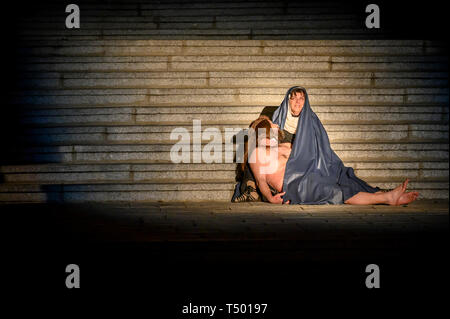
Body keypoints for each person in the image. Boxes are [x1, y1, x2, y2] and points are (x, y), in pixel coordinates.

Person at [247, 116, 419, 205]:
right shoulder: (257, 154)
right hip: (295, 186)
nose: (276, 126)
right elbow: (261, 181)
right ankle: (387, 198)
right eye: (272, 125)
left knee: (342, 178)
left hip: (308, 176)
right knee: (334, 191)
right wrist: (270, 198)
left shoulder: (284, 145)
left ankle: (385, 195)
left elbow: (308, 148)